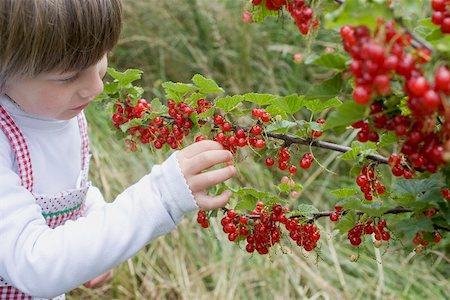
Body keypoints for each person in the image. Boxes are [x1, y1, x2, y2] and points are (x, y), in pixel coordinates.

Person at [0, 0, 236, 299]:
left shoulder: (57, 109)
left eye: (101, 57)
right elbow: (34, 264)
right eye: (67, 76)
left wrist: (90, 223)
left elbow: (68, 185)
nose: (95, 87)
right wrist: (161, 196)